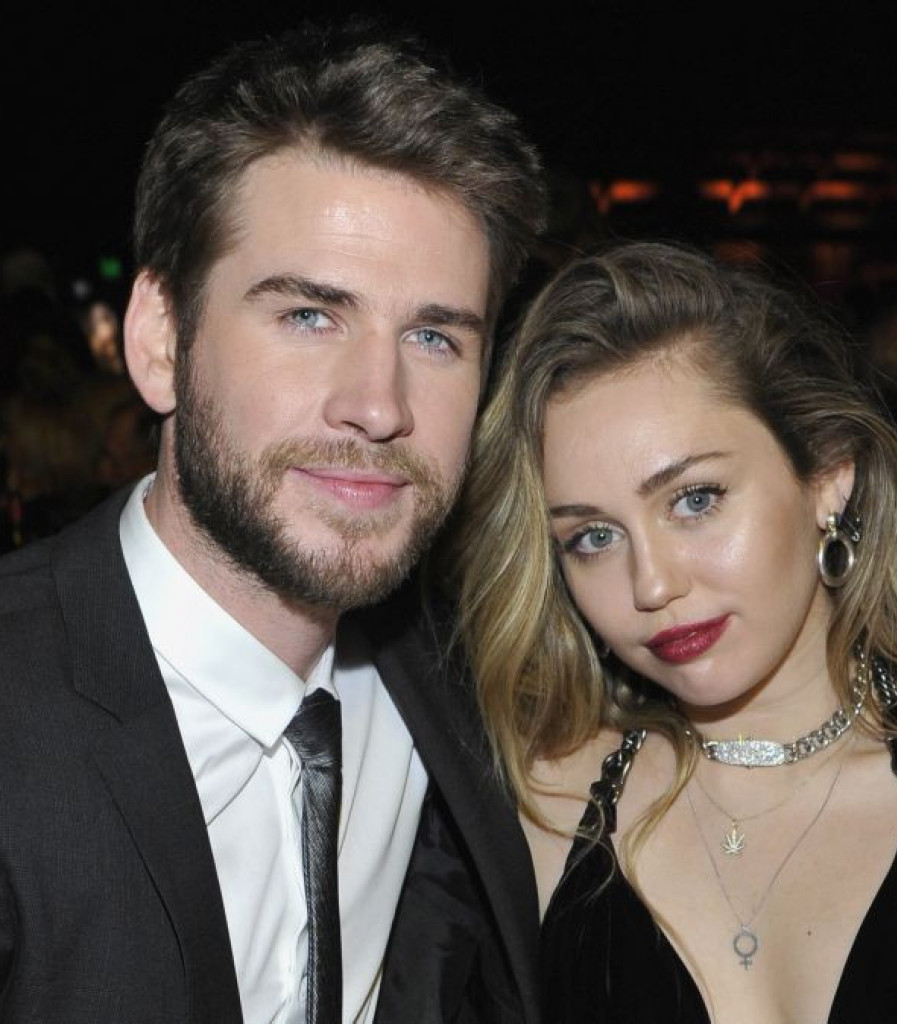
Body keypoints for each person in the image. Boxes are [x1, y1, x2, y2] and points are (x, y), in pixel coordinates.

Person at [0, 24, 545, 1024]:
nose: (378, 404)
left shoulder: (464, 682)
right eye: (308, 316)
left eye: (433, 336)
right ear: (159, 341)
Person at [457, 242, 897, 1023]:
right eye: (593, 537)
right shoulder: (535, 807)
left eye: (695, 500)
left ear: (829, 475)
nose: (652, 584)